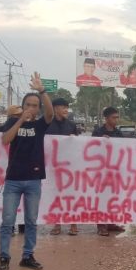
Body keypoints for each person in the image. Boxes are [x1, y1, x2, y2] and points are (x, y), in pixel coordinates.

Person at [0, 72, 53, 270]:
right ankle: (4, 258)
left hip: (33, 181)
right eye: (28, 104)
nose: (31, 108)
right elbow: (5, 140)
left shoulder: (40, 125)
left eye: (35, 105)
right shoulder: (13, 122)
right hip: (13, 181)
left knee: (31, 220)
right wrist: (20, 120)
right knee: (8, 221)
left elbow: (51, 114)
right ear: (23, 106)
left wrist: (42, 91)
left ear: (38, 109)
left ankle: (28, 255)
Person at [47, 98, 80, 236]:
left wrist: (74, 138)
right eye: (63, 107)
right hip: (53, 167)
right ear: (55, 109)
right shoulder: (47, 124)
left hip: (70, 166)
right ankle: (57, 224)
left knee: (71, 195)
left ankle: (73, 224)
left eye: (67, 107)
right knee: (55, 195)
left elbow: (79, 145)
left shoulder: (71, 125)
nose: (66, 110)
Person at [92, 106, 126, 236]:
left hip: (115, 171)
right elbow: (90, 150)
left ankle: (111, 222)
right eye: (114, 117)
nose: (116, 120)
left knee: (113, 198)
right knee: (101, 198)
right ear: (106, 118)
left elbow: (123, 150)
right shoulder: (98, 132)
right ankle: (101, 225)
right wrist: (100, 141)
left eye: (117, 117)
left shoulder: (118, 133)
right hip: (101, 171)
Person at [0, 105, 24, 236]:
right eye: (16, 116)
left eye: (20, 115)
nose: (19, 118)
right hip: (12, 174)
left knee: (22, 203)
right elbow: (3, 139)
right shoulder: (7, 128)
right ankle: (11, 227)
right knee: (11, 205)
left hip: (23, 172)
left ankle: (20, 226)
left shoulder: (28, 127)